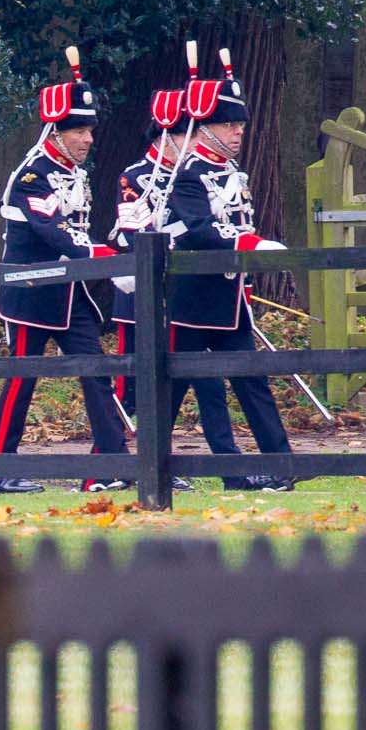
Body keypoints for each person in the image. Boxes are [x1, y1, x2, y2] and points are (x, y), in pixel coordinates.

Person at [0, 48, 129, 493]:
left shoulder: (72, 169)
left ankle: (110, 466)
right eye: (78, 131)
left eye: (88, 130)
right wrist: (107, 259)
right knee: (21, 380)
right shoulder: (34, 174)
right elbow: (56, 234)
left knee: (96, 373)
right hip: (32, 292)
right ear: (57, 131)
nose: (87, 139)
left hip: (72, 295)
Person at [166, 48, 296, 492]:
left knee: (252, 382)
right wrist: (251, 244)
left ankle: (283, 466)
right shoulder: (189, 175)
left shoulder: (231, 171)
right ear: (205, 128)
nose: (238, 132)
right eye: (228, 124)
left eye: (239, 124)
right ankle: (148, 464)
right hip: (194, 301)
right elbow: (201, 231)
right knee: (169, 390)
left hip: (230, 302)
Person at [109, 86, 212, 491]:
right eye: (186, 136)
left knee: (171, 381)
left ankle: (159, 461)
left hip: (181, 295)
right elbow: (132, 232)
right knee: (128, 385)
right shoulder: (134, 176)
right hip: (139, 292)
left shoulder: (196, 177)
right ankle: (116, 463)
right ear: (165, 138)